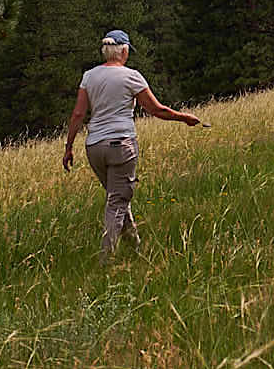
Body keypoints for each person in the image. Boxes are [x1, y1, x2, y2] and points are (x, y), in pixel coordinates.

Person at [62, 29, 201, 264]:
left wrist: (69, 147)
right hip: (121, 145)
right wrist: (184, 118)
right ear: (123, 51)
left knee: (116, 196)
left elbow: (78, 114)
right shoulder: (131, 76)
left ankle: (135, 246)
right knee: (118, 199)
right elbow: (157, 110)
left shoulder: (89, 76)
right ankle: (106, 258)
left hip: (94, 146)